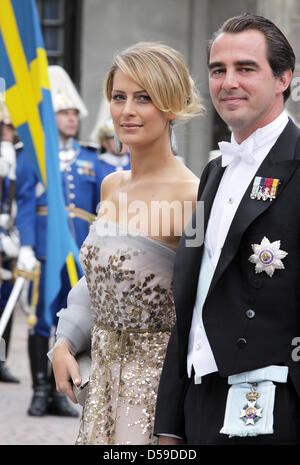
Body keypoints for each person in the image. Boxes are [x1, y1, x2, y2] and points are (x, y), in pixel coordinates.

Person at [154, 13, 300, 445]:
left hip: (277, 405)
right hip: (201, 397)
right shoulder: (212, 173)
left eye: (246, 68)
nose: (228, 82)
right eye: (218, 70)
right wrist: (168, 422)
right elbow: (190, 291)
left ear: (283, 79)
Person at [50, 41, 203, 445]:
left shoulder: (194, 197)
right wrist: (64, 343)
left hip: (156, 400)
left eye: (144, 98)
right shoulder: (111, 185)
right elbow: (97, 279)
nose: (127, 111)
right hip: (99, 391)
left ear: (172, 105)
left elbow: (204, 305)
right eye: (119, 97)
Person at [15, 65, 102, 417]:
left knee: (75, 322)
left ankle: (60, 390)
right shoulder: (32, 156)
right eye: (63, 113)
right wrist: (25, 246)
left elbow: (104, 208)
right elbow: (23, 201)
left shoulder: (90, 158)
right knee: (41, 319)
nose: (71, 119)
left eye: (73, 113)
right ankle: (39, 390)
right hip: (46, 252)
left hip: (80, 254)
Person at [0, 102, 20, 383]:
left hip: (9, 237)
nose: (8, 133)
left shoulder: (16, 157)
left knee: (6, 301)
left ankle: (0, 360)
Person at [97, 118, 131, 188]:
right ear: (103, 142)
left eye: (124, 136)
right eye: (114, 138)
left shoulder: (138, 163)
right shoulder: (96, 164)